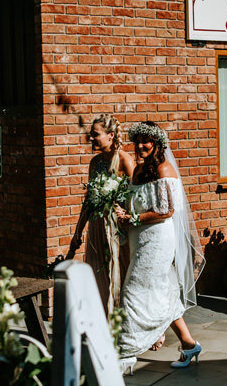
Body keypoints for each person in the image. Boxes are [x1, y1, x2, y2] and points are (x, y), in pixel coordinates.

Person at [115, 121, 204, 370]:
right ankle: (189, 344)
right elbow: (136, 203)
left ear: (157, 144)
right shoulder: (138, 171)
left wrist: (132, 218)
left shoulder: (165, 170)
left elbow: (167, 211)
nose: (140, 146)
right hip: (139, 239)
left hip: (158, 240)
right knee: (163, 293)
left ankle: (126, 353)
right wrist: (120, 209)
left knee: (131, 292)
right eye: (137, 142)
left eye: (146, 141)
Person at [66, 114, 136, 314]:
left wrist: (126, 216)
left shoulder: (125, 160)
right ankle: (103, 322)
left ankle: (124, 324)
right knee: (99, 274)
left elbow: (138, 197)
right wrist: (78, 231)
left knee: (120, 274)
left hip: (117, 229)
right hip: (97, 227)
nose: (91, 138)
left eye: (95, 134)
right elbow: (89, 200)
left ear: (111, 135)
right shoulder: (95, 162)